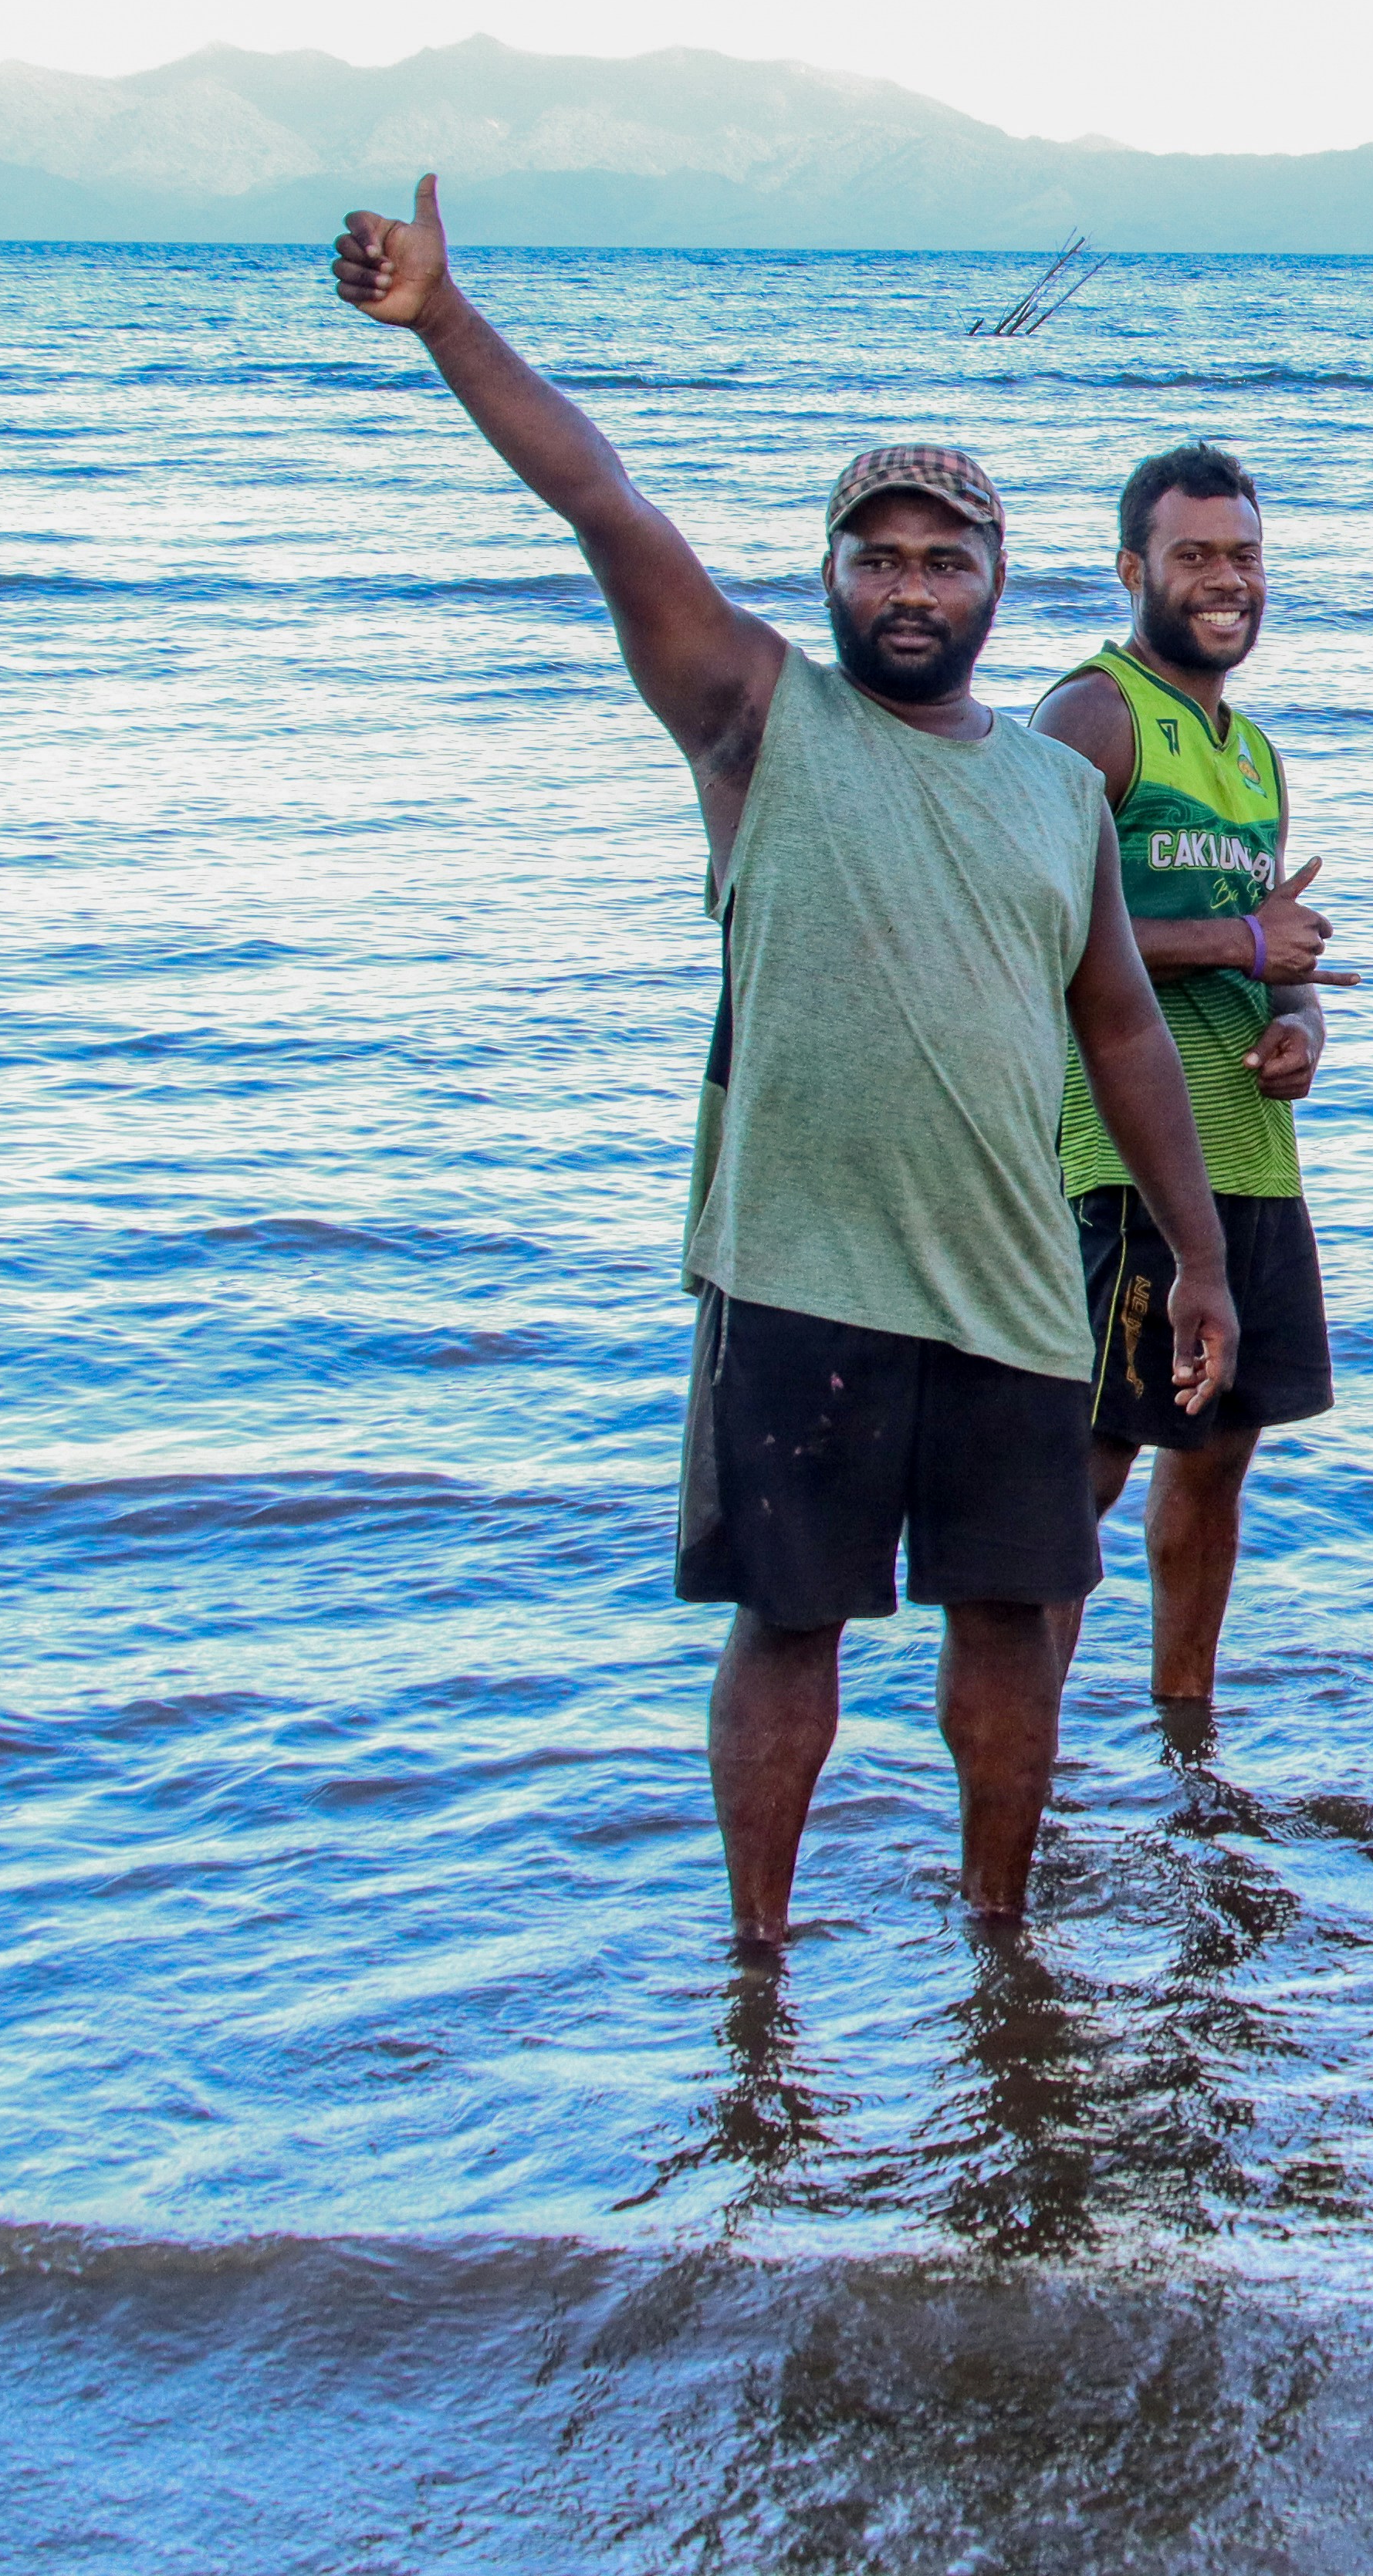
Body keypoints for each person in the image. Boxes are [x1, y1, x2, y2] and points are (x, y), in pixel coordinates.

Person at [325, 177, 1237, 1946]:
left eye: (943, 557)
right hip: (798, 1275)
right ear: (829, 576)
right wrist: (443, 319)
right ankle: (757, 1960)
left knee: (1014, 1623)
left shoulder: (1060, 786)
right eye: (876, 556)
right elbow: (604, 500)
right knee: (789, 1625)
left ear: (996, 584)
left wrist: (1196, 1255)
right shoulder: (759, 717)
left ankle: (998, 1932)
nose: (909, 585)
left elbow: (1119, 1023)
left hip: (1012, 1292)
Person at [1030, 441, 1352, 1707]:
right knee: (1089, 1467)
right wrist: (1241, 941)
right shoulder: (1093, 714)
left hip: (1250, 1155)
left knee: (1219, 1452)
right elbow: (1033, 926)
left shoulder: (1257, 752)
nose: (1227, 580)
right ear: (1132, 570)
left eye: (1245, 555)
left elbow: (1273, 937)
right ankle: (1024, 1765)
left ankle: (1186, 1728)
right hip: (1124, 1161)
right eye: (1196, 556)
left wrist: (1299, 1021)